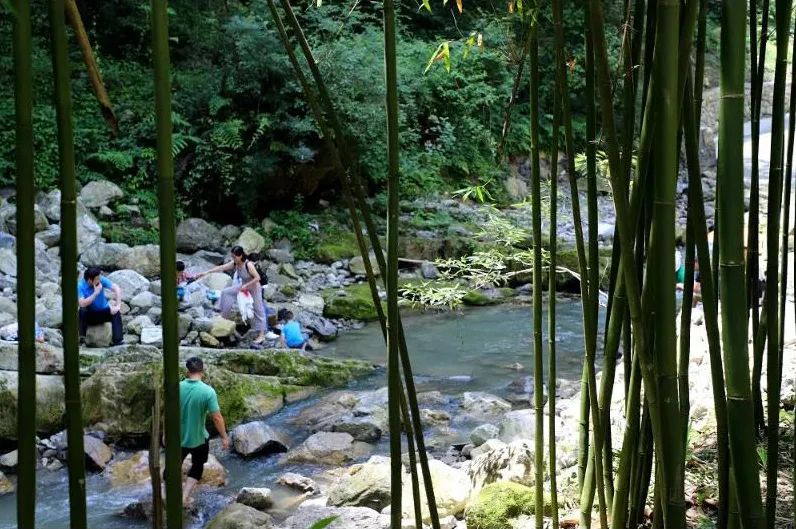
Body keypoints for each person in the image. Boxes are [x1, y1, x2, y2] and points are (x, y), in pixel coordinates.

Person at [195, 246, 277, 344]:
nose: (233, 259)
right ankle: (223, 315)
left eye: (234, 257)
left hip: (254, 287)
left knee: (258, 310)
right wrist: (206, 272)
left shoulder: (248, 264)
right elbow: (221, 267)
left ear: (241, 255)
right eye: (232, 257)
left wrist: (246, 285)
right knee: (226, 292)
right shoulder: (235, 263)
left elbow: (257, 278)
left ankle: (262, 335)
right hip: (243, 285)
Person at [178, 356, 230, 507]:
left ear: (187, 371)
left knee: (173, 466)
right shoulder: (208, 392)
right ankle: (184, 497)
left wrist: (165, 434)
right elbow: (217, 418)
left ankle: (168, 493)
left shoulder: (176, 387)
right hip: (198, 438)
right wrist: (224, 437)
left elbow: (166, 411)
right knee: (197, 465)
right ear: (202, 371)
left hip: (177, 437)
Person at [78, 267, 123, 346]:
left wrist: (118, 305)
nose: (99, 280)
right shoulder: (80, 286)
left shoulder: (101, 280)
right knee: (82, 310)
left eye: (99, 278)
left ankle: (117, 340)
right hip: (90, 315)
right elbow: (82, 303)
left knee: (116, 312)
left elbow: (117, 288)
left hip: (103, 312)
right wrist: (95, 293)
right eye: (97, 279)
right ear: (89, 280)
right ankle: (82, 338)